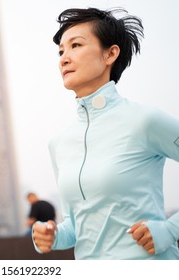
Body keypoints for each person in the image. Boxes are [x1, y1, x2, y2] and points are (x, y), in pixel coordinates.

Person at [32, 7, 179, 259]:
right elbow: (75, 227)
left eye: (76, 45)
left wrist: (169, 229)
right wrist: (51, 235)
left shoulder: (144, 120)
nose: (64, 58)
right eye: (61, 51)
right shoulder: (59, 143)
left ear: (110, 54)